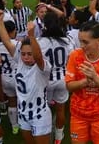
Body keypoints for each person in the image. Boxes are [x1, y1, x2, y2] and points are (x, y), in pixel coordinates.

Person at [0, 10, 52, 144]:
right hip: (23, 113)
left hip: (40, 115)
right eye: (24, 54)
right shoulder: (19, 61)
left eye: (29, 54)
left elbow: (38, 57)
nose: (26, 57)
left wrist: (31, 36)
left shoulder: (43, 67)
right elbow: (6, 41)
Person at [65, 21, 99, 144]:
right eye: (80, 41)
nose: (82, 45)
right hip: (78, 115)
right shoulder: (75, 56)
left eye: (85, 42)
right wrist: (85, 82)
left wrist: (95, 77)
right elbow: (69, 86)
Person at [38, 12, 74, 144]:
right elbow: (71, 60)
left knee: (44, 109)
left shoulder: (40, 42)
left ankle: (45, 134)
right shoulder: (67, 40)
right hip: (62, 79)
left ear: (45, 25)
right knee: (60, 109)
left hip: (46, 80)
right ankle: (58, 137)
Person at [0, 20, 21, 134]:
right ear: (13, 31)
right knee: (23, 101)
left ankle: (14, 126)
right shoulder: (17, 44)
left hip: (5, 77)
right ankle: (24, 122)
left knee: (11, 101)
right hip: (18, 77)